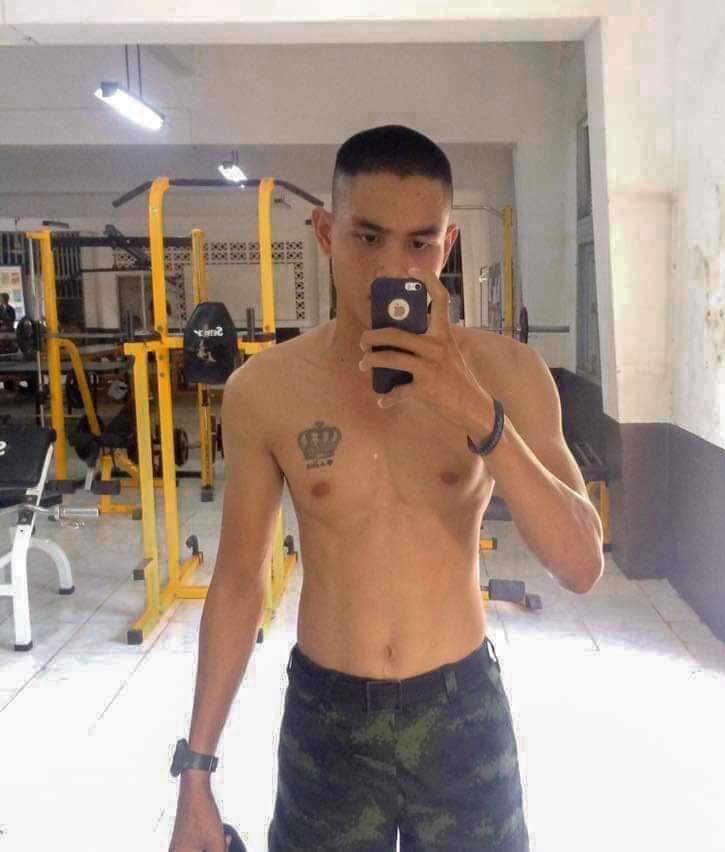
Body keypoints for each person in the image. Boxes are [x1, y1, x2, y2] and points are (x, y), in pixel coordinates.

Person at [168, 125, 604, 852]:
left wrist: (474, 410)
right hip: (329, 717)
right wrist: (196, 773)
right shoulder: (266, 390)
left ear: (448, 245)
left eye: (420, 243)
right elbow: (239, 580)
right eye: (367, 238)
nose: (392, 267)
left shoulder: (508, 374)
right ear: (326, 232)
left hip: (460, 709)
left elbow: (582, 565)